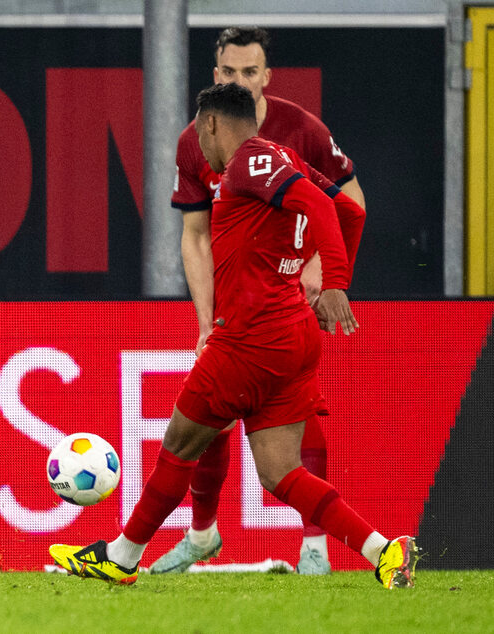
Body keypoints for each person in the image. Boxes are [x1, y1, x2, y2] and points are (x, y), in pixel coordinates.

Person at [50, 82, 418, 590]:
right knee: (280, 473)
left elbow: (322, 205)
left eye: (200, 136)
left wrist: (334, 281)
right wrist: (323, 275)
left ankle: (120, 556)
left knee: (179, 445)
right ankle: (384, 550)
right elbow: (351, 210)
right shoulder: (282, 156)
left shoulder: (247, 162)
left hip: (249, 338)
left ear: (211, 124)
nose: (198, 148)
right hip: (293, 334)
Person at [153, 26, 366, 576]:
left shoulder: (303, 129)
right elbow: (196, 235)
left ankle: (314, 544)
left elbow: (350, 200)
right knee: (220, 421)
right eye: (230, 72)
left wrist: (322, 268)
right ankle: (203, 535)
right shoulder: (196, 138)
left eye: (251, 72)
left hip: (289, 297)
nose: (240, 82)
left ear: (267, 77)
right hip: (236, 304)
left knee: (292, 414)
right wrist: (207, 318)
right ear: (215, 75)